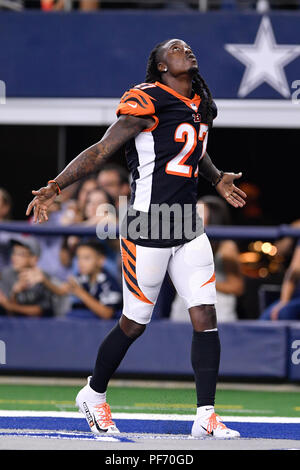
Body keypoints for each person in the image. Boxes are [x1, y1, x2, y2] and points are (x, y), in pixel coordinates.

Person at [26, 39, 246, 438]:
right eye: (177, 48)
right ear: (161, 66)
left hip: (186, 225)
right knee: (134, 323)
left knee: (205, 316)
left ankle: (206, 415)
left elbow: (190, 149)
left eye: (189, 47)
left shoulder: (198, 103)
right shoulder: (147, 99)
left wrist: (215, 177)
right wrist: (54, 187)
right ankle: (93, 394)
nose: (188, 51)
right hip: (147, 226)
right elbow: (101, 150)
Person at [170, 195, 244, 322]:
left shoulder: (226, 247)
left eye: (198, 212)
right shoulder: (185, 241)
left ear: (213, 217)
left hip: (216, 309)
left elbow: (237, 287)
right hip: (185, 307)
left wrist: (202, 282)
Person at [28, 240, 122, 320]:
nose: (80, 263)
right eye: (78, 258)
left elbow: (107, 314)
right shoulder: (82, 277)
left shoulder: (109, 282)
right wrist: (44, 280)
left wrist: (80, 292)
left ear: (101, 260)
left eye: (86, 258)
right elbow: (61, 290)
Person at [0, 236, 53, 317]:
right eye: (14, 253)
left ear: (33, 259)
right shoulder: (7, 274)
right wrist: (15, 293)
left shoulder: (43, 278)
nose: (14, 257)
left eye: (20, 254)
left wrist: (10, 306)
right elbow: (9, 313)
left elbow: (40, 311)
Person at [260, 239, 300, 321]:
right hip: (297, 296)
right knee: (268, 318)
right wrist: (284, 302)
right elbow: (294, 271)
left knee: (285, 312)